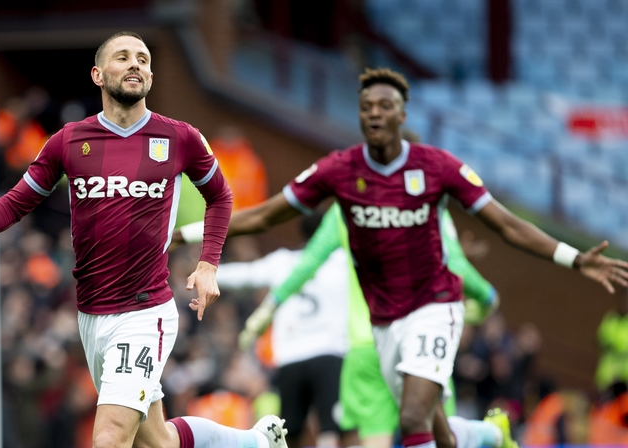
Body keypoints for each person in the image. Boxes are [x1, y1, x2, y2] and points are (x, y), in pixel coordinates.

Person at [174, 67, 628, 448]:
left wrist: (573, 258)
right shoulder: (339, 170)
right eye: (367, 107)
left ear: (402, 113)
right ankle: (489, 435)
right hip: (383, 322)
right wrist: (187, 233)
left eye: (385, 106)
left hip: (434, 306)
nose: (375, 113)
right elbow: (267, 216)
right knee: (435, 428)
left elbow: (506, 224)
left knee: (412, 419)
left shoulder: (437, 167)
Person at [0, 31, 288, 448]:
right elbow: (17, 202)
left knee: (109, 436)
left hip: (145, 312)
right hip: (92, 315)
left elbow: (220, 195)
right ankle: (256, 443)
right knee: (157, 441)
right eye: (123, 57)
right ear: (97, 74)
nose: (136, 65)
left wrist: (207, 264)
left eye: (144, 59)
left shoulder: (179, 137)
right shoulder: (69, 141)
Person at [237, 203, 499, 448]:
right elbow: (454, 263)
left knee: (379, 436)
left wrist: (269, 307)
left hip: (367, 344)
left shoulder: (345, 206)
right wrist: (486, 297)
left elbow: (308, 261)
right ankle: (493, 434)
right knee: (437, 432)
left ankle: (493, 434)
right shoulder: (425, 198)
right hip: (417, 340)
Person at [216, 212, 353, 448]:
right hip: (330, 353)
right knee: (330, 427)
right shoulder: (344, 261)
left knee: (289, 430)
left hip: (291, 356)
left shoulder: (282, 262)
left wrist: (203, 274)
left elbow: (245, 275)